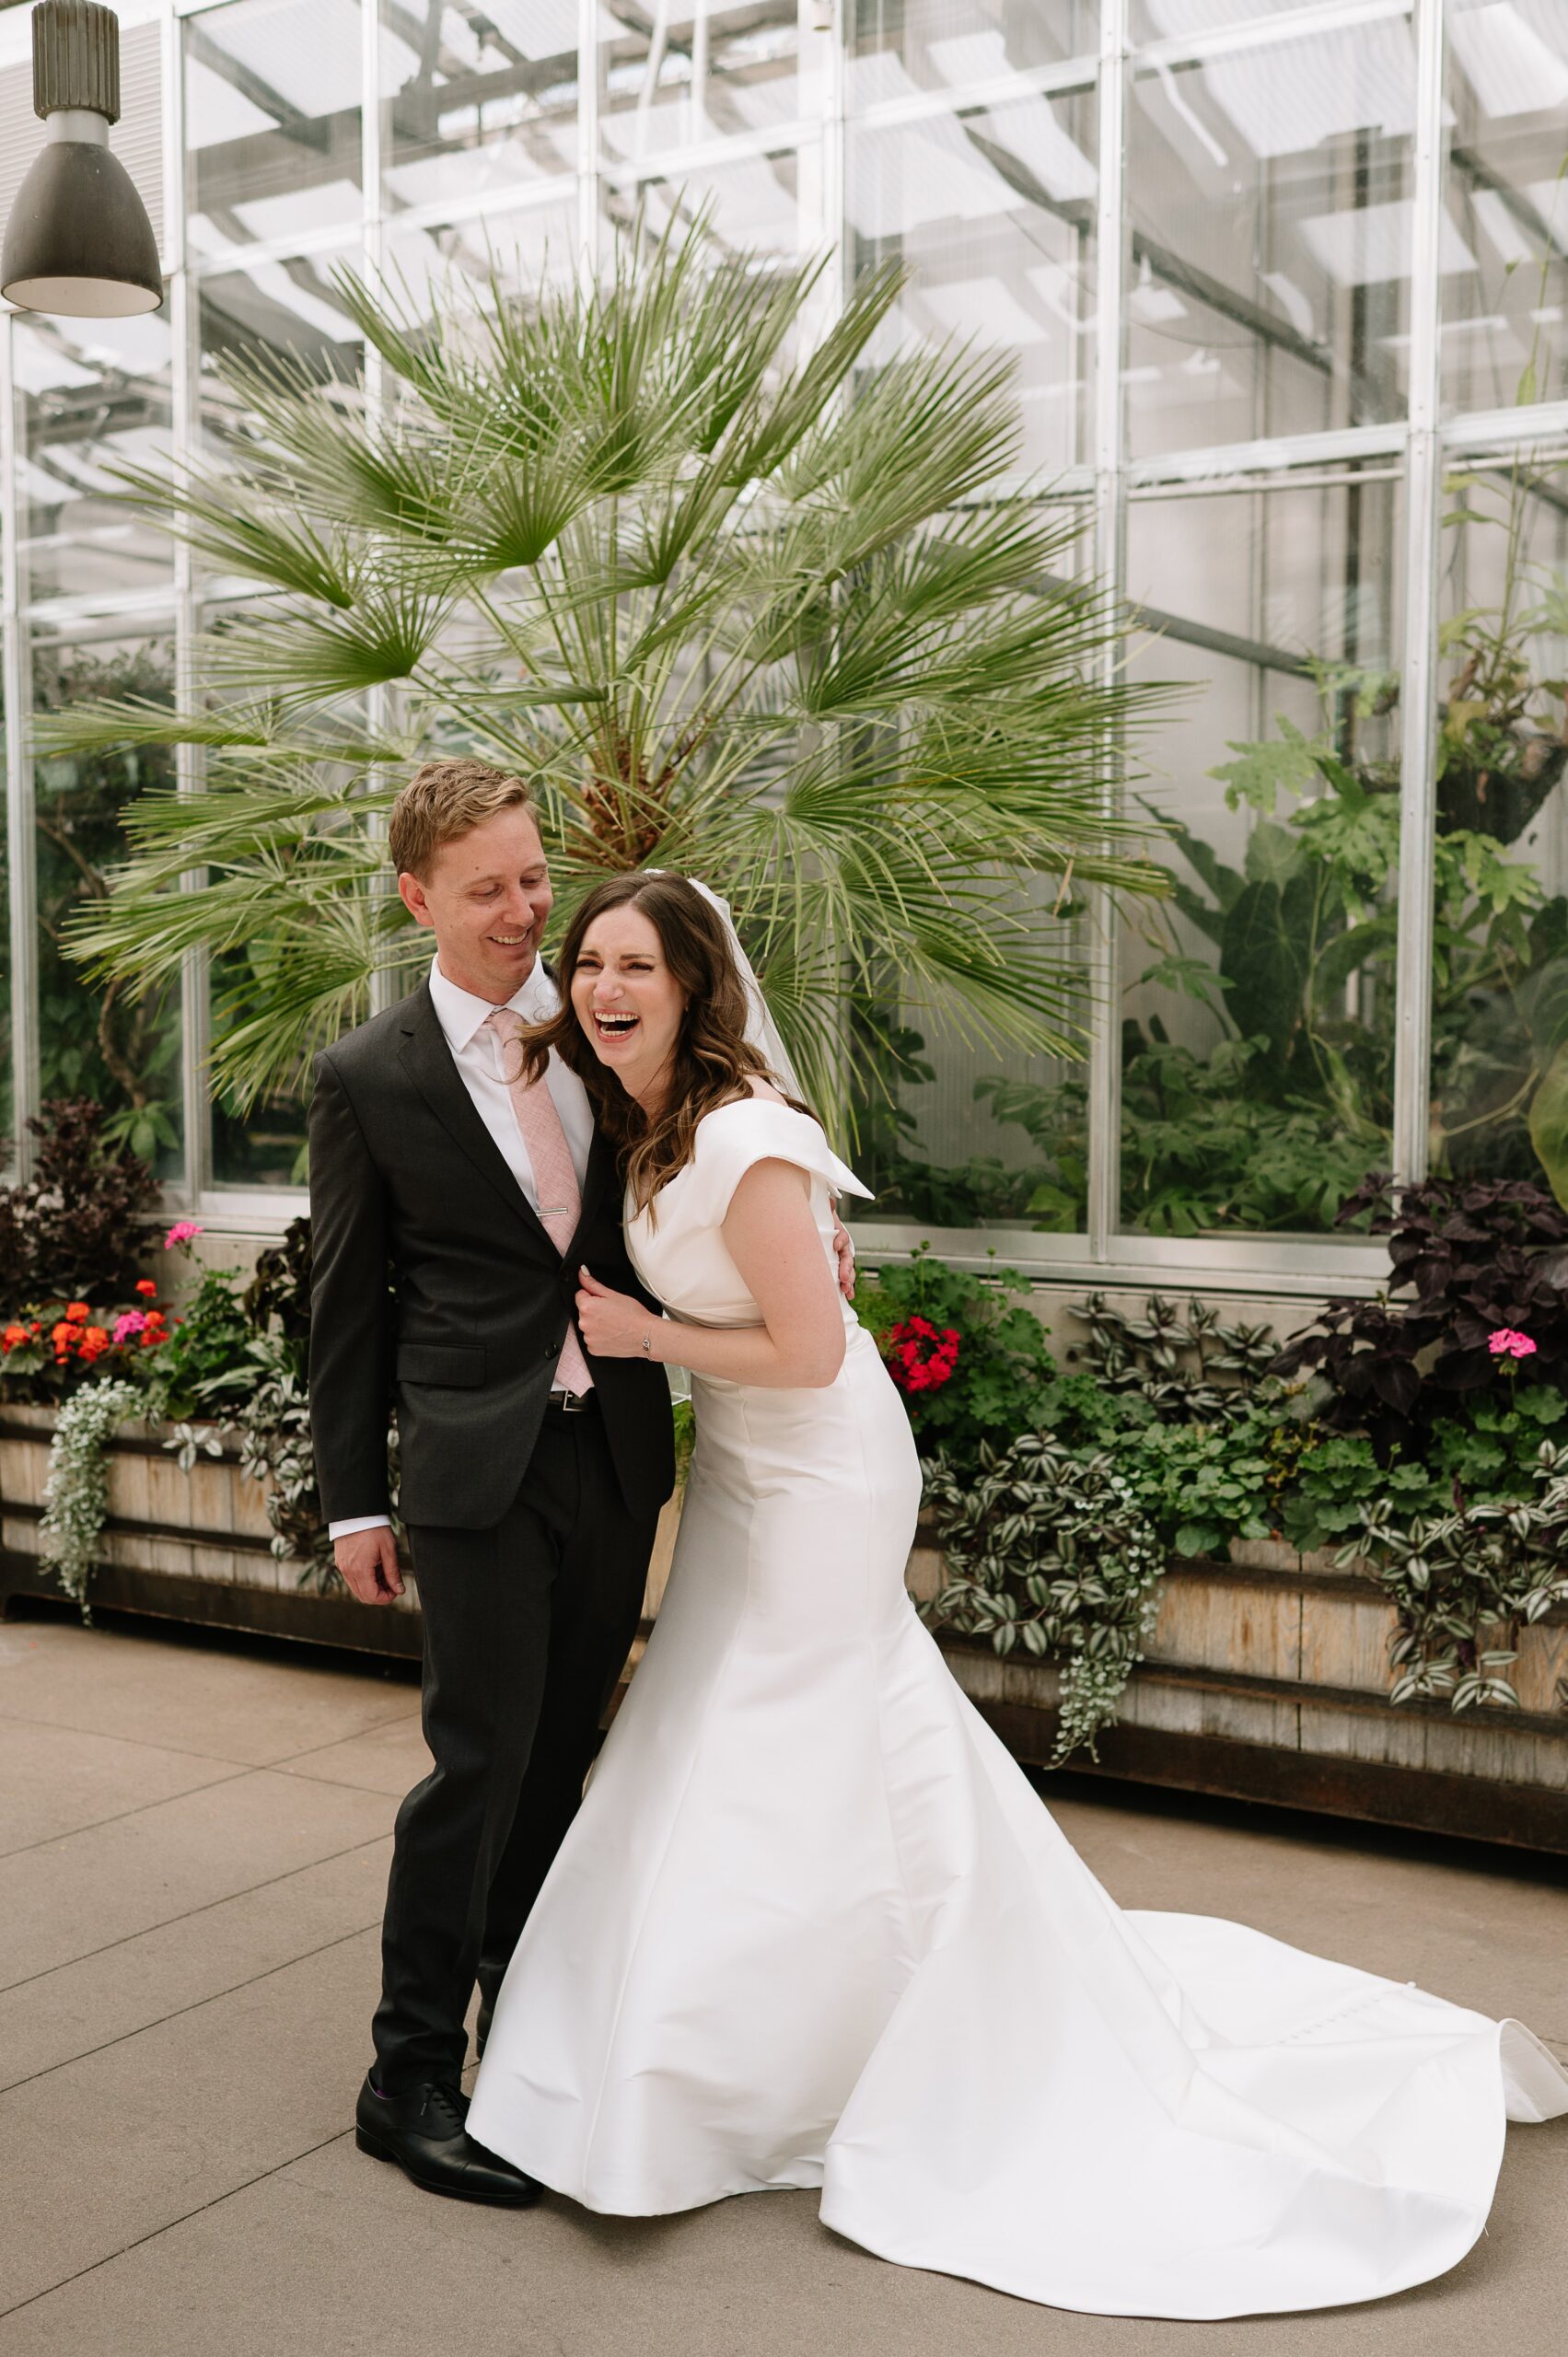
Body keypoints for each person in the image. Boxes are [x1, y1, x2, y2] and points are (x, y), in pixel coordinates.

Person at [466, 870, 1568, 2320]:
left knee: (777, 1719)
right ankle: (789, 2026)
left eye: (638, 968)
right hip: (745, 1475)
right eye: (590, 961)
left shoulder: (746, 1135)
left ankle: (785, 2054)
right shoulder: (646, 1121)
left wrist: (640, 1330)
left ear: (693, 986)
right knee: (744, 1719)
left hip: (820, 1470)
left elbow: (806, 1352)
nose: (607, 988)